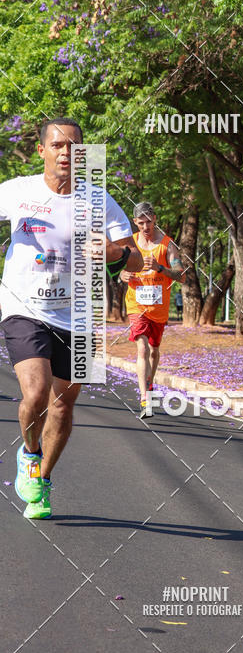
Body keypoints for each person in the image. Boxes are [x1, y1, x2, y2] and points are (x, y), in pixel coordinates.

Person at [0, 118, 143, 519]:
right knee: (36, 392)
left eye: (75, 146)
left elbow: (137, 257)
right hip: (23, 306)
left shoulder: (99, 200)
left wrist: (115, 253)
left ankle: (42, 483)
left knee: (63, 405)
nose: (66, 153)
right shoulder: (18, 192)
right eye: (58, 145)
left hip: (78, 312)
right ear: (42, 150)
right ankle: (29, 454)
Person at [120, 202, 184, 417]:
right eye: (141, 222)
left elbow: (181, 275)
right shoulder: (130, 245)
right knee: (142, 348)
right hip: (136, 305)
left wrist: (160, 268)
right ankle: (144, 399)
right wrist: (122, 275)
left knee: (154, 350)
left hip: (159, 307)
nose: (145, 226)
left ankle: (149, 383)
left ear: (155, 219)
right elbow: (116, 268)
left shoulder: (167, 245)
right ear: (135, 222)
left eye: (149, 221)